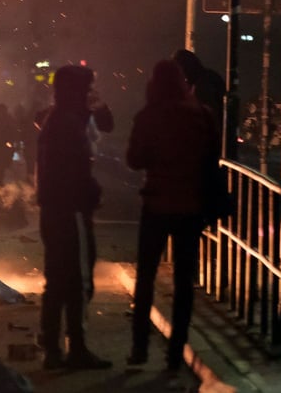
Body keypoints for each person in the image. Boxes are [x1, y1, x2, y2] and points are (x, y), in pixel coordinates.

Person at [126, 59, 219, 371]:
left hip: (156, 205)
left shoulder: (148, 116)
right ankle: (176, 352)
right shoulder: (202, 116)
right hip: (190, 208)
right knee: (183, 281)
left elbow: (134, 159)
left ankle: (139, 347)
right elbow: (211, 161)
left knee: (146, 278)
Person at [36, 64, 114, 370]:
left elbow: (106, 123)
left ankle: (53, 348)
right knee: (77, 279)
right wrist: (91, 192)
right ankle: (75, 347)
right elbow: (75, 169)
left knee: (57, 280)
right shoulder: (66, 123)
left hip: (55, 209)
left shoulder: (58, 118)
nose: (89, 93)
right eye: (85, 88)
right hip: (70, 210)